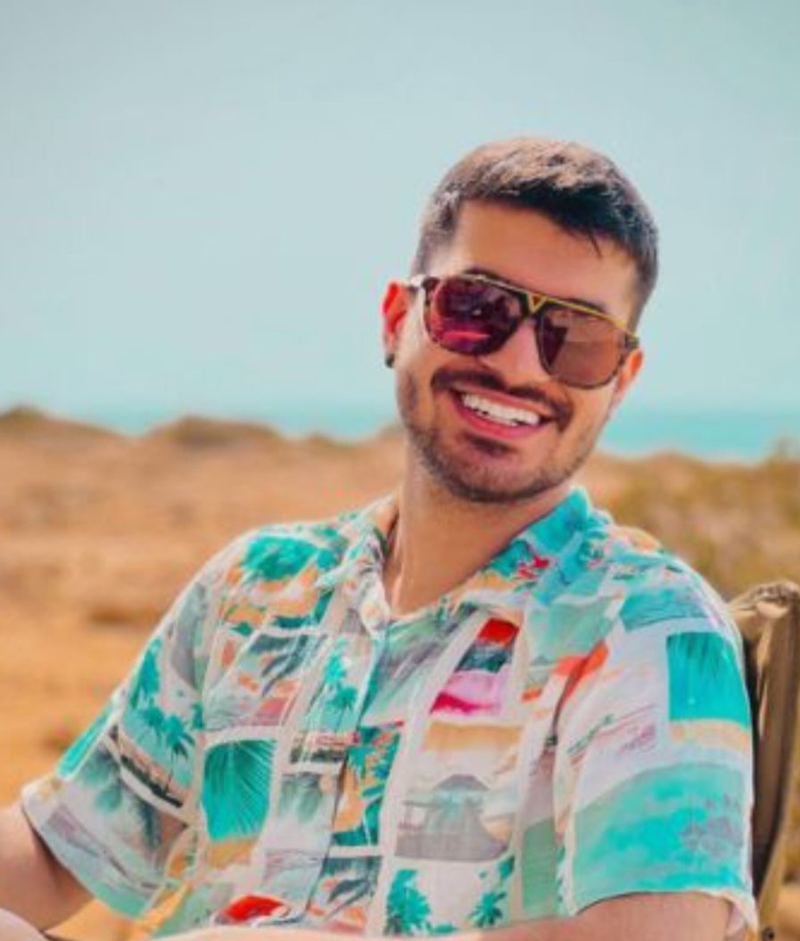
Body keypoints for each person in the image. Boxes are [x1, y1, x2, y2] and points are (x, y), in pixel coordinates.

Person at [0, 137, 755, 941]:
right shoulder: (256, 586)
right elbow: (56, 852)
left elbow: (658, 930)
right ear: (400, 319)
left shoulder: (649, 627)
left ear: (621, 380)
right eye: (477, 308)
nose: (520, 366)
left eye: (578, 338)